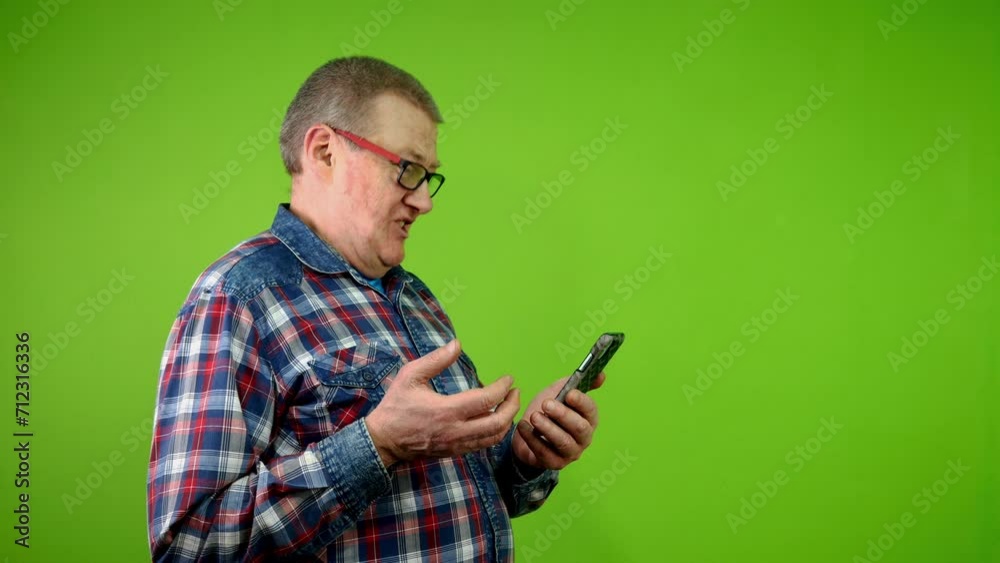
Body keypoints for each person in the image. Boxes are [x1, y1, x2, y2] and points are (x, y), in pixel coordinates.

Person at [147, 56, 604, 562]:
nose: (425, 202)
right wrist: (378, 444)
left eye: (429, 178)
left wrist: (525, 457)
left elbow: (458, 496)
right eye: (408, 170)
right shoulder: (237, 297)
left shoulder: (414, 297)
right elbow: (189, 546)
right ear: (325, 152)